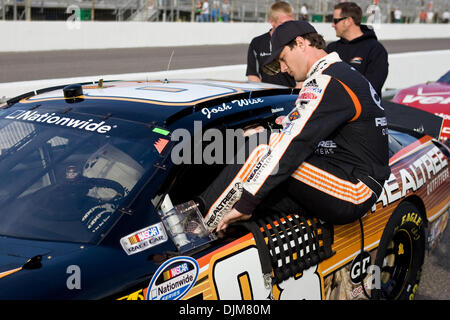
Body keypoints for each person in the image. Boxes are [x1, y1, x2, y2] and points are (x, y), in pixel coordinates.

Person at [194, 20, 390, 232]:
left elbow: (293, 142)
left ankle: (196, 228)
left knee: (261, 149)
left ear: (300, 43)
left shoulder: (326, 80)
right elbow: (301, 130)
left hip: (355, 189)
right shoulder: (339, 74)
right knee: (262, 155)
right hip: (342, 175)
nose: (283, 69)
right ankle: (215, 222)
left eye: (283, 59)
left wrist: (248, 202)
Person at [325, 2, 388, 97]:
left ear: (348, 21)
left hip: (363, 110)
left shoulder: (375, 50)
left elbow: (372, 88)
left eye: (335, 20)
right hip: (332, 108)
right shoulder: (331, 48)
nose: (332, 25)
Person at [246, 1, 296, 87]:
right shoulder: (257, 43)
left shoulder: (298, 42)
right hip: (268, 96)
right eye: (284, 24)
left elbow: (306, 74)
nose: (289, 27)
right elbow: (253, 75)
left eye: (291, 23)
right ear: (272, 21)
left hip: (291, 95)